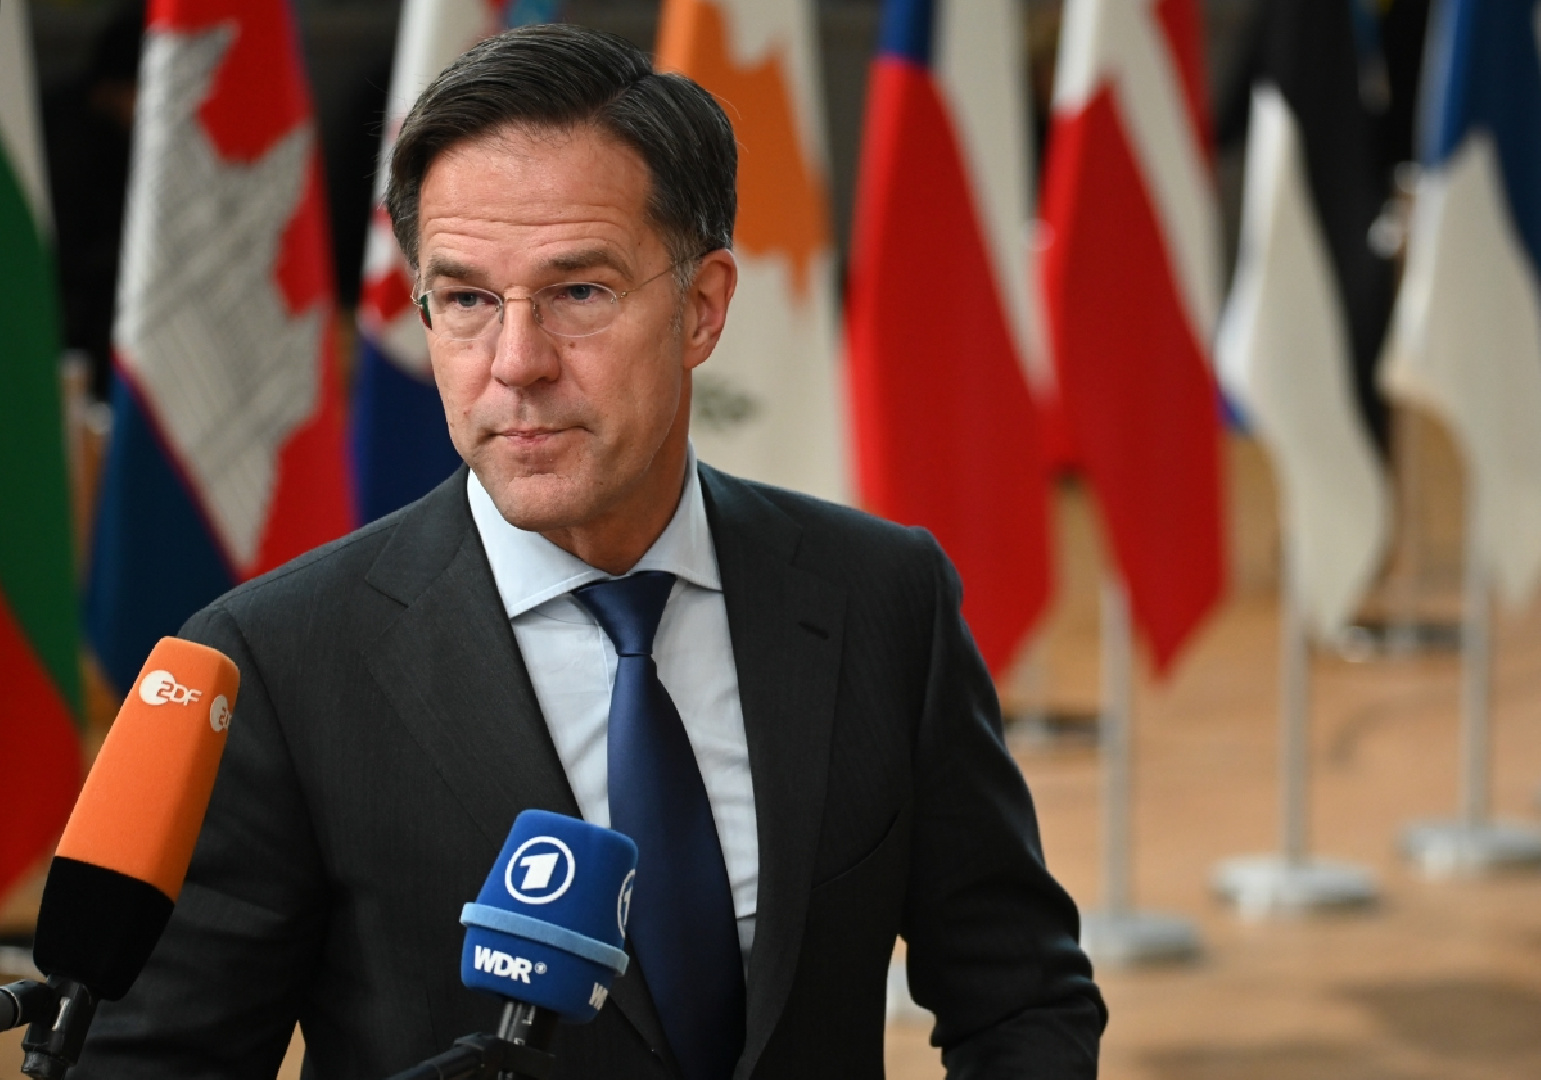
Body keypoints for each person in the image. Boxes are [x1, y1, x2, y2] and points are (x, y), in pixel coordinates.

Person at [74, 24, 1104, 1080]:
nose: (516, 363)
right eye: (466, 300)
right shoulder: (278, 665)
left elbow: (1020, 997)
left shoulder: (881, 597)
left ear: (701, 309)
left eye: (578, 293)